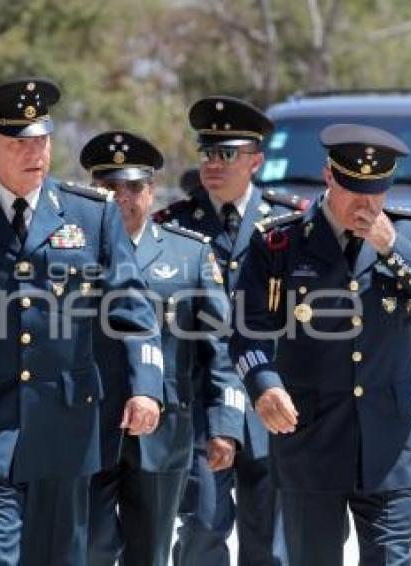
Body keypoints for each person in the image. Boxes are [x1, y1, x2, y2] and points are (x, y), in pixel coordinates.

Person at [0, 78, 164, 566]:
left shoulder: (91, 215)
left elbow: (131, 307)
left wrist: (145, 384)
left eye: (41, 140)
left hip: (64, 427)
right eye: (19, 142)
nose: (34, 152)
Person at [231, 123, 411, 566]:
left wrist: (394, 247)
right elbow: (247, 332)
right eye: (355, 189)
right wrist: (264, 385)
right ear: (329, 178)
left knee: (390, 559)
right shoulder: (278, 243)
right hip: (311, 440)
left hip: (392, 443)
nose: (367, 203)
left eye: (377, 190)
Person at [153, 96, 305, 566]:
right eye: (206, 153)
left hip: (270, 399)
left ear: (256, 160)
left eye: (227, 154)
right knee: (201, 531)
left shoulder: (289, 224)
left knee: (271, 541)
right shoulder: (172, 226)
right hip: (198, 401)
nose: (213, 164)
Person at [80, 131, 243, 566]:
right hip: (89, 425)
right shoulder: (71, 249)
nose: (121, 197)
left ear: (151, 191)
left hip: (164, 427)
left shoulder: (188, 253)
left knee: (150, 550)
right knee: (91, 544)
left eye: (133, 186)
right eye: (109, 186)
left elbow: (219, 346)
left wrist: (224, 422)